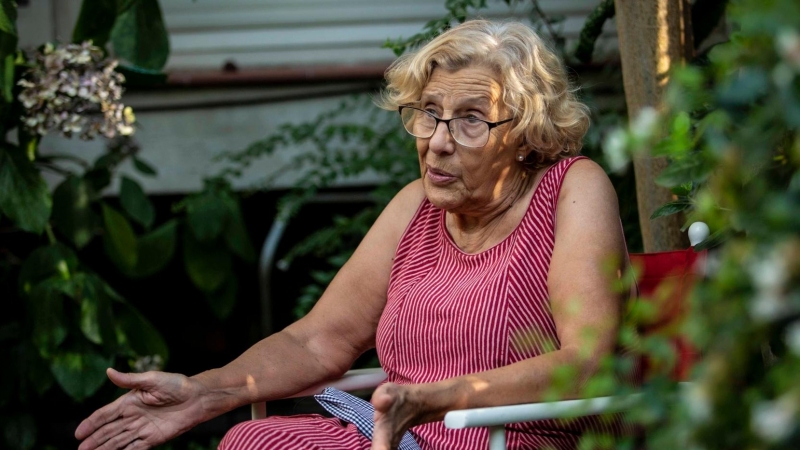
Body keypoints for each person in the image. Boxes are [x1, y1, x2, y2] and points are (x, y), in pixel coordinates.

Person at [75, 18, 638, 450]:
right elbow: (317, 341)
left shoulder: (572, 189)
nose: (438, 141)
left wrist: (434, 399)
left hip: (516, 438)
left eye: (471, 119)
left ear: (525, 134)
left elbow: (587, 362)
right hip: (402, 437)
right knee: (253, 439)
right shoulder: (415, 206)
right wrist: (206, 392)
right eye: (429, 113)